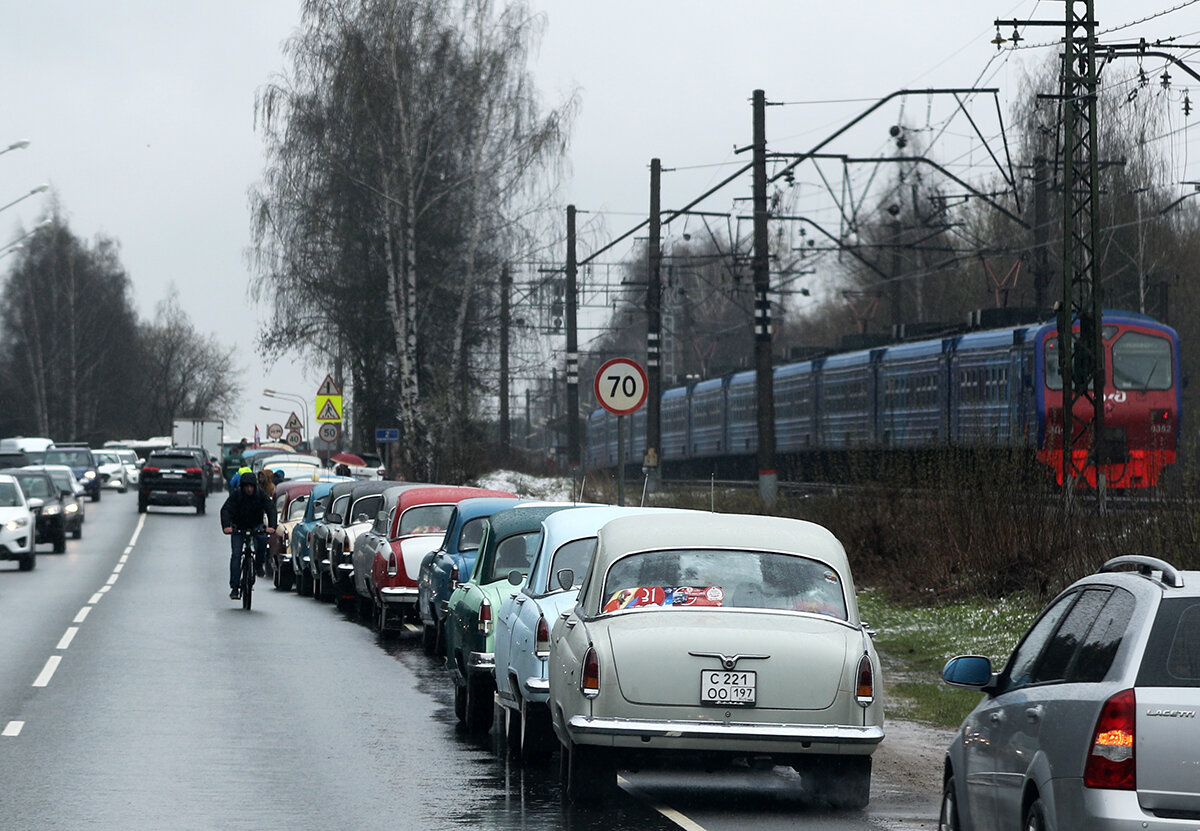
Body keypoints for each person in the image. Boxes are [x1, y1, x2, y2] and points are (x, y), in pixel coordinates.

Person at [219, 468, 277, 600]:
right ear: (242, 487)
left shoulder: (260, 494)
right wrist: (227, 526)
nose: (249, 489)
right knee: (236, 555)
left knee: (262, 541)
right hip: (238, 527)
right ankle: (234, 587)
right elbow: (226, 510)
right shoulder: (236, 495)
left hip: (256, 525)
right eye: (246, 486)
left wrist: (272, 526)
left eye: (251, 486)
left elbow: (270, 508)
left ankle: (258, 565)